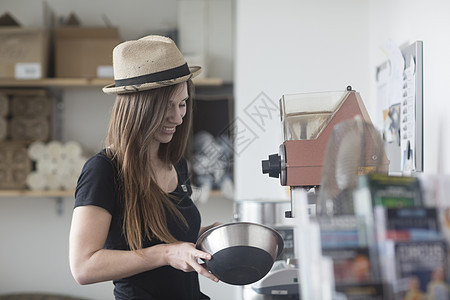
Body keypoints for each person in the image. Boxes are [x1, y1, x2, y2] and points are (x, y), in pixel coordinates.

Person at [69, 35, 220, 300]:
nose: (177, 117)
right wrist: (165, 254)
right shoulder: (104, 171)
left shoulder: (176, 164)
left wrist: (205, 236)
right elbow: (83, 267)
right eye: (165, 107)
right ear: (137, 109)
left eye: (182, 104)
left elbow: (157, 236)